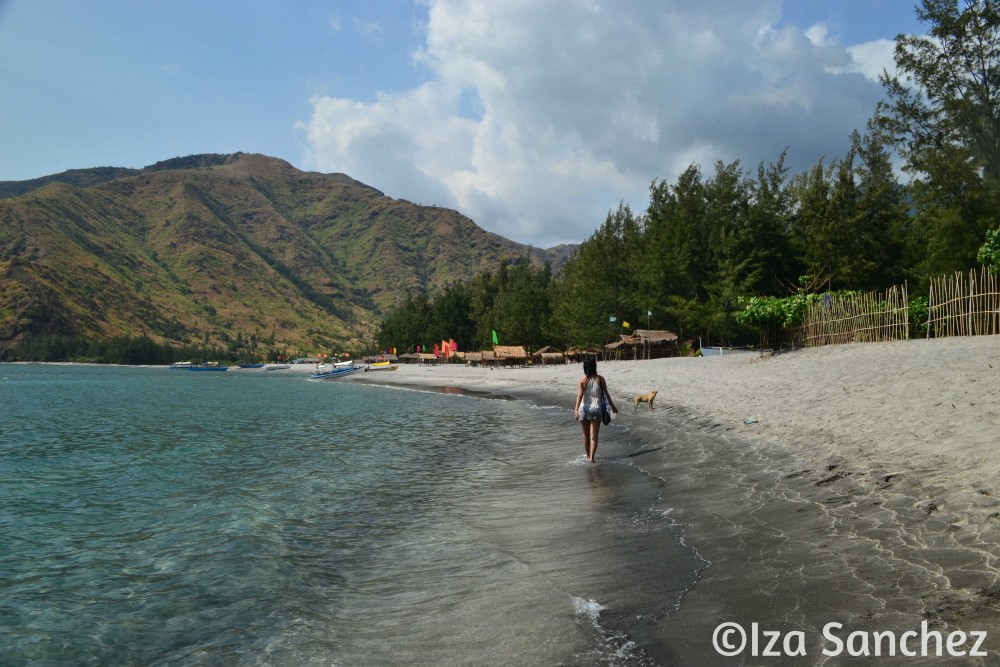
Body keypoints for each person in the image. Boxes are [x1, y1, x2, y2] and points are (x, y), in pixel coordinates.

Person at [574, 357, 618, 462]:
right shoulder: (601, 379)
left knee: (585, 434)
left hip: (583, 408)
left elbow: (579, 395)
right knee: (594, 435)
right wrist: (613, 406)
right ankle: (592, 458)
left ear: (584, 367)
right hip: (596, 408)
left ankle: (587, 455)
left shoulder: (582, 380)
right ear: (595, 366)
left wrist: (575, 410)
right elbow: (606, 395)